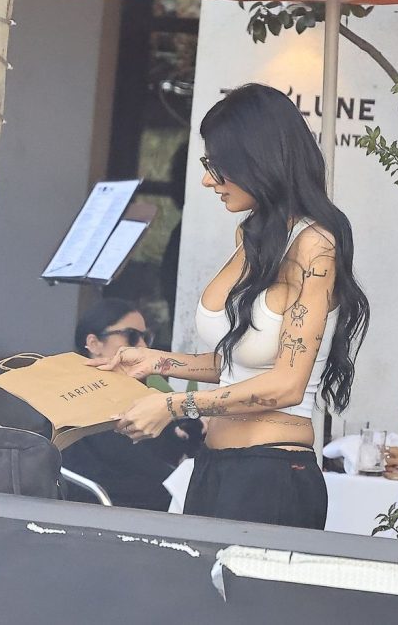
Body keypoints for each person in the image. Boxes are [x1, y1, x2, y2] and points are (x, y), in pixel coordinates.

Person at [92, 83, 370, 529]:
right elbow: (236, 362)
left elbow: (285, 386)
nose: (207, 179)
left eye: (216, 164)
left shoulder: (315, 247)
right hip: (214, 466)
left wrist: (172, 408)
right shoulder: (251, 238)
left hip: (272, 476)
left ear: (257, 159)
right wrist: (156, 361)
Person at [64, 298, 203, 511]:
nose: (144, 347)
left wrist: (187, 432)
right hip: (97, 508)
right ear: (93, 344)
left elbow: (161, 449)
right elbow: (124, 456)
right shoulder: (72, 393)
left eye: (147, 337)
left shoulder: (135, 391)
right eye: (132, 336)